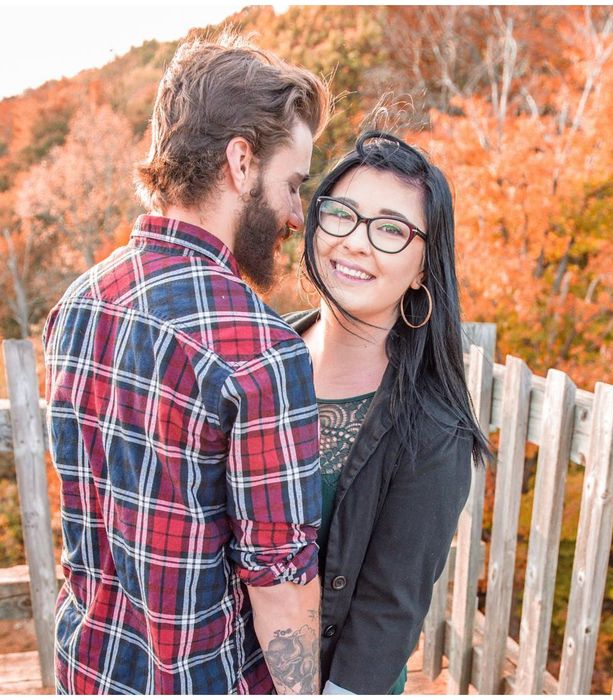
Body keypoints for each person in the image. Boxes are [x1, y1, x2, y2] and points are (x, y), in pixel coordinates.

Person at [41, 35, 330, 694]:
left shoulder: (77, 304)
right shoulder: (262, 351)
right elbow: (281, 590)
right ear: (241, 161)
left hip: (86, 672)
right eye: (292, 184)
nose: (295, 215)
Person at [284, 131, 491, 694]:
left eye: (392, 229)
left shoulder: (433, 428)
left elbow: (388, 612)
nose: (355, 241)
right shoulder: (258, 355)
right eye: (341, 214)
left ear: (424, 267)